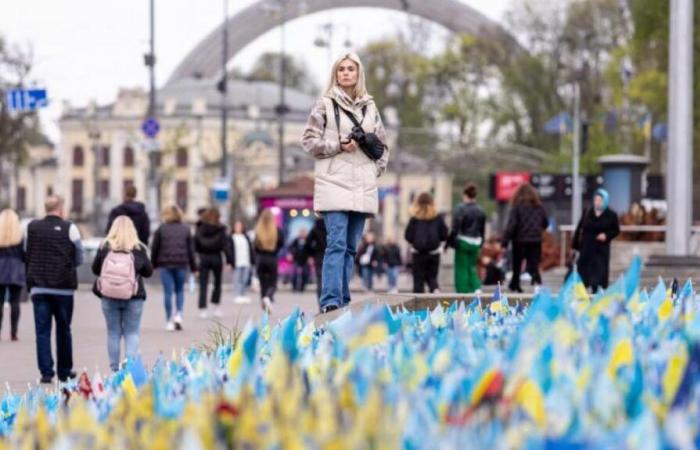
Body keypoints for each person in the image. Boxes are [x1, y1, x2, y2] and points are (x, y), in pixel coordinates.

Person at [301, 52, 389, 313]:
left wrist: (376, 170)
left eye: (351, 69)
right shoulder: (324, 104)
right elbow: (308, 141)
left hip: (362, 186)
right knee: (336, 244)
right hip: (334, 184)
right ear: (335, 74)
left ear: (358, 73)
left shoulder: (370, 108)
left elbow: (383, 146)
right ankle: (330, 301)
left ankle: (344, 300)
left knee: (351, 248)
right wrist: (337, 145)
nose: (346, 73)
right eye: (341, 69)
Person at [25, 196, 84, 384]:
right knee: (64, 330)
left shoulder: (32, 227)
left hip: (39, 287)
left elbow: (28, 252)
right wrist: (67, 266)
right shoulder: (70, 228)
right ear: (60, 209)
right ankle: (64, 371)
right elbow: (80, 257)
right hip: (63, 288)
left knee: (42, 332)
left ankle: (46, 373)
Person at [92, 216, 153, 372]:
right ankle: (129, 367)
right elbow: (148, 272)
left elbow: (95, 269)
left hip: (108, 295)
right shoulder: (139, 248)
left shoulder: (105, 246)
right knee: (132, 332)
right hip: (133, 296)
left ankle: (114, 369)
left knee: (113, 332)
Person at [151, 205, 197, 331]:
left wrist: (153, 264)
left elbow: (155, 248)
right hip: (181, 264)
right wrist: (194, 268)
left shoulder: (161, 229)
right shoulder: (186, 229)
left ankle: (169, 320)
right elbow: (190, 250)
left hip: (165, 265)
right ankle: (179, 315)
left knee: (168, 292)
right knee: (180, 290)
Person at [502, 183, 549, 293]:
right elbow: (545, 223)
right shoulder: (539, 207)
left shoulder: (517, 207)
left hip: (519, 240)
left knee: (517, 265)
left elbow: (511, 226)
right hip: (535, 240)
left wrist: (505, 242)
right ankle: (538, 284)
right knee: (534, 265)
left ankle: (515, 285)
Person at [572, 188, 620, 292]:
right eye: (596, 200)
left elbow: (616, 230)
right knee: (583, 276)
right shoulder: (587, 212)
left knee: (599, 277)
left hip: (601, 250)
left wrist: (606, 236)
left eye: (600, 200)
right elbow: (579, 228)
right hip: (586, 248)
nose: (597, 203)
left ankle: (597, 294)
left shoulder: (611, 215)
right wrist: (575, 246)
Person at [404, 192, 449, 293]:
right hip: (434, 253)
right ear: (432, 202)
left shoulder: (414, 218)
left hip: (418, 253)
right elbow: (444, 235)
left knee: (418, 281)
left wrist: (414, 241)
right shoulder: (438, 217)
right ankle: (435, 292)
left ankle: (417, 306)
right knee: (432, 278)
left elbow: (408, 236)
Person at [447, 183, 486, 293]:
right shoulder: (481, 210)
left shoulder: (460, 208)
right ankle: (476, 288)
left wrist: (448, 243)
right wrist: (481, 243)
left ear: (465, 195)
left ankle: (462, 293)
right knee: (472, 267)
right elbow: (482, 230)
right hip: (476, 242)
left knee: (461, 268)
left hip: (463, 242)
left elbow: (455, 228)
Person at [194, 208, 232, 318]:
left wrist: (194, 259)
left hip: (203, 257)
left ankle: (203, 309)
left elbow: (195, 243)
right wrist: (230, 261)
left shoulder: (200, 228)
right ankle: (216, 306)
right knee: (217, 283)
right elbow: (226, 246)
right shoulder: (221, 229)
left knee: (203, 283)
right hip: (216, 257)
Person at [0, 209, 25, 341]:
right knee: (15, 302)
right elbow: (24, 255)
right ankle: (13, 332)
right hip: (16, 269)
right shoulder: (20, 235)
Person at [253, 209, 284, 313]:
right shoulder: (276, 230)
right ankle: (268, 297)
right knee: (273, 283)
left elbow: (255, 247)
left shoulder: (258, 231)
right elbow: (281, 243)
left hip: (260, 258)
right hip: (272, 258)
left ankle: (264, 304)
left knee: (263, 283)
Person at [229, 220, 255, 304]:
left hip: (246, 261)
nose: (238, 228)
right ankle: (238, 295)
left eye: (240, 226)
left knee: (245, 279)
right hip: (237, 262)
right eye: (237, 226)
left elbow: (250, 249)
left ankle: (243, 294)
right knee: (237, 279)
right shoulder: (231, 237)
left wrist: (252, 260)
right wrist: (229, 262)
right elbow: (229, 251)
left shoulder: (246, 237)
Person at [303, 217, 327, 303]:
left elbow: (307, 244)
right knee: (329, 279)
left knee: (320, 280)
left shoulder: (315, 229)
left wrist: (311, 254)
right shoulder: (330, 228)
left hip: (319, 256)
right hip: (330, 256)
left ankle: (321, 303)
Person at [289, 229, 310, 293]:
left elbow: (311, 249)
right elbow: (290, 247)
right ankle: (294, 288)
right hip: (296, 259)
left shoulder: (308, 240)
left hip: (305, 260)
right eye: (301, 232)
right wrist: (290, 254)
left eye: (303, 232)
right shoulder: (295, 240)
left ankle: (302, 288)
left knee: (305, 274)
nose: (302, 234)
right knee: (294, 274)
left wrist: (310, 257)